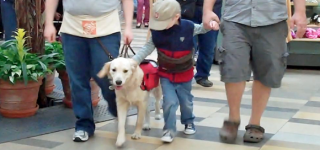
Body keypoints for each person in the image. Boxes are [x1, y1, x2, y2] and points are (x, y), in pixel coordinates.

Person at [202, 0, 307, 143]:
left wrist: (300, 11)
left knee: (266, 71)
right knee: (233, 67)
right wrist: (207, 10)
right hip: (235, 18)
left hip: (273, 19)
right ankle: (233, 119)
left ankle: (255, 123)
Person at [44, 0, 133, 142]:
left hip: (106, 27)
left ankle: (118, 109)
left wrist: (128, 26)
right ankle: (83, 125)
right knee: (77, 79)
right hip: (73, 27)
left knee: (107, 77)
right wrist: (49, 23)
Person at [132, 0, 218, 143]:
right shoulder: (157, 33)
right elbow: (147, 48)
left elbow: (202, 29)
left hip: (185, 73)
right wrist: (134, 61)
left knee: (186, 101)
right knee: (169, 102)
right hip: (166, 74)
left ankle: (188, 120)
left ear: (176, 16)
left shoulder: (188, 27)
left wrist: (210, 25)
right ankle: (169, 129)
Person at [188, 0, 222, 87]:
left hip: (214, 8)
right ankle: (184, 75)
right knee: (188, 45)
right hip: (188, 6)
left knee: (208, 46)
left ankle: (202, 75)